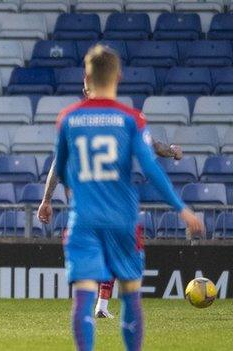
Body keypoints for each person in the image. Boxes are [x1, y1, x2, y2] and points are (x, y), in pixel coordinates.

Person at [53, 45, 204, 351]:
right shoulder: (130, 119)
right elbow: (150, 168)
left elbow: (62, 168)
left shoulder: (68, 118)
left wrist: (83, 189)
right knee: (131, 293)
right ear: (119, 76)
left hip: (83, 219)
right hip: (122, 219)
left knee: (83, 296)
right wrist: (181, 208)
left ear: (86, 77)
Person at [37, 77, 184, 320]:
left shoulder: (74, 120)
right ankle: (99, 303)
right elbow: (151, 145)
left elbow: (57, 164)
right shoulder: (119, 117)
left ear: (86, 89)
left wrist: (46, 199)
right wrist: (171, 151)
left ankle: (98, 304)